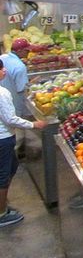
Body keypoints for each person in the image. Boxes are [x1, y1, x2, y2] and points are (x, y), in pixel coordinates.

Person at [0, 59, 46, 228]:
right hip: (3, 139)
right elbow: (10, 119)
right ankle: (2, 214)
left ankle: (2, 206)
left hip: (4, 138)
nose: (4, 71)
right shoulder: (2, 93)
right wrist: (34, 124)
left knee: (11, 168)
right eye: (1, 69)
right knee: (3, 175)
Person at [0, 51, 29, 116]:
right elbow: (22, 89)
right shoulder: (20, 67)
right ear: (21, 50)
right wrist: (33, 124)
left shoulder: (2, 57)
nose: (4, 70)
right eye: (26, 50)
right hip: (15, 105)